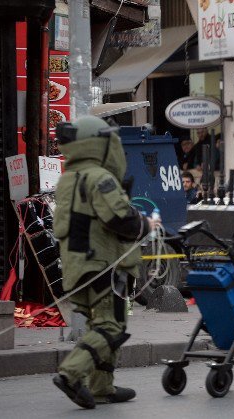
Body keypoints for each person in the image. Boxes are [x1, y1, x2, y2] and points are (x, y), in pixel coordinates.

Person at [52, 116, 159, 409]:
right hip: (101, 264)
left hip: (77, 267)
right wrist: (148, 225)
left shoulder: (69, 178)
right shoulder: (100, 178)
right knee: (111, 327)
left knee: (103, 324)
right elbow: (119, 219)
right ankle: (71, 375)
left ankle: (102, 387)